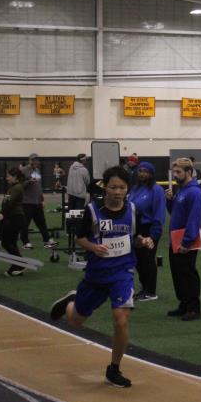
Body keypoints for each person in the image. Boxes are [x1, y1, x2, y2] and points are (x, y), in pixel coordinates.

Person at [49, 166, 154, 388]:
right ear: (105, 187)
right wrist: (94, 247)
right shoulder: (92, 210)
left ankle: (114, 369)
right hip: (96, 274)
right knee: (75, 321)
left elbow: (135, 237)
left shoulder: (133, 210)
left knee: (121, 320)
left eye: (122, 188)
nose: (117, 192)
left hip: (122, 272)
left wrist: (143, 241)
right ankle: (70, 302)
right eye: (113, 187)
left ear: (128, 189)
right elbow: (81, 238)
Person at [165, 157, 201, 321]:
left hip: (185, 241)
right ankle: (184, 304)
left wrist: (187, 241)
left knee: (188, 274)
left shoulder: (194, 192)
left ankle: (193, 308)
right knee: (178, 273)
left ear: (189, 172)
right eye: (174, 172)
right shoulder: (181, 190)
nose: (175, 175)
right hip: (175, 239)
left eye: (178, 172)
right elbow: (175, 213)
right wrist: (169, 201)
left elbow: (194, 219)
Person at [130, 162, 165, 301]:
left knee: (147, 259)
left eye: (146, 171)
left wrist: (153, 234)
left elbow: (159, 213)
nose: (142, 173)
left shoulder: (157, 190)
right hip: (136, 228)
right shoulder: (135, 188)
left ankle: (150, 291)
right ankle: (144, 288)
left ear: (151, 174)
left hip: (149, 228)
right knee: (138, 261)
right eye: (140, 171)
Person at [20, 153, 55, 250]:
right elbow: (20, 185)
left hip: (37, 202)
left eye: (36, 160)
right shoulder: (23, 170)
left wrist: (42, 198)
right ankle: (25, 242)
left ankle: (46, 241)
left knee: (42, 223)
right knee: (25, 224)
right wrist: (28, 182)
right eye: (33, 160)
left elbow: (39, 185)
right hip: (27, 202)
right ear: (29, 160)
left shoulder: (37, 170)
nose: (35, 161)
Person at [0, 167, 27, 277]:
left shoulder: (17, 187)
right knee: (11, 243)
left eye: (8, 176)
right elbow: (6, 201)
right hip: (13, 218)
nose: (7, 178)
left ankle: (19, 264)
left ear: (15, 177)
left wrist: (3, 213)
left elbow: (9, 202)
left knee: (6, 242)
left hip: (15, 218)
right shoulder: (13, 187)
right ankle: (17, 266)